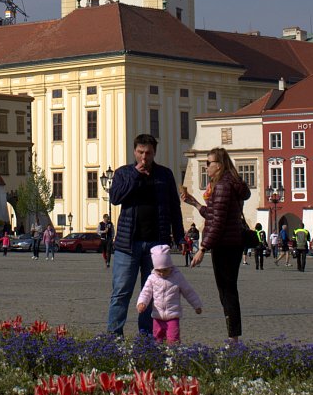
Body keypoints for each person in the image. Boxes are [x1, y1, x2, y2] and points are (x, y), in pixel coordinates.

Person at [107, 133, 185, 337]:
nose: (144, 157)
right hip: (127, 245)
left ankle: (146, 337)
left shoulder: (165, 175)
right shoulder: (123, 173)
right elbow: (115, 198)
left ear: (154, 153)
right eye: (140, 152)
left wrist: (179, 236)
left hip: (156, 246)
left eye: (148, 153)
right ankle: (114, 337)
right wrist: (135, 175)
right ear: (134, 152)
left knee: (153, 294)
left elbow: (174, 208)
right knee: (121, 292)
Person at [181, 147, 250, 345]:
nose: (206, 166)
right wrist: (195, 203)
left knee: (227, 291)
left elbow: (217, 223)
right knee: (228, 290)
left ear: (219, 165)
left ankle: (233, 338)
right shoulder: (228, 184)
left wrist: (202, 249)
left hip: (225, 245)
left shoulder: (222, 186)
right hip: (232, 244)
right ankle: (233, 336)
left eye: (209, 162)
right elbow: (213, 214)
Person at [136, 244, 203, 343]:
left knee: (173, 339)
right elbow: (146, 292)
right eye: (158, 270)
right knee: (157, 338)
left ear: (170, 266)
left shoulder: (177, 276)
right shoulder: (152, 278)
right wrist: (142, 303)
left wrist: (197, 305)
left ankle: (173, 351)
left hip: (173, 316)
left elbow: (188, 291)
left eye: (165, 270)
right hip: (157, 316)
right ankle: (158, 352)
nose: (162, 273)